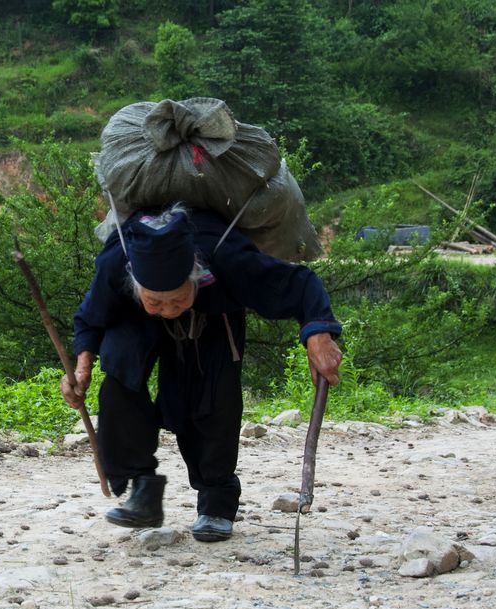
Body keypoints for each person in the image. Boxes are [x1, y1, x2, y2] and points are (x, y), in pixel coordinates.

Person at [61, 204, 343, 542]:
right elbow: (91, 316)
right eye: (156, 302)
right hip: (135, 319)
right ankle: (143, 490)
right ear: (134, 282)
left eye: (177, 299)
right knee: (120, 373)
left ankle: (215, 503)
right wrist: (82, 369)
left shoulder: (227, 255)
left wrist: (319, 335)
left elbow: (299, 284)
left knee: (215, 396)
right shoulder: (117, 261)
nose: (167, 310)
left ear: (195, 274)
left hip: (214, 312)